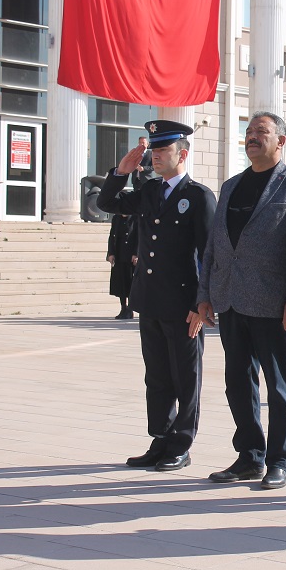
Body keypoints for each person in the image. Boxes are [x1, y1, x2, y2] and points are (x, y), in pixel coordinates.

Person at [197, 112, 286, 490]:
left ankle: (280, 460)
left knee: (278, 385)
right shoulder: (230, 186)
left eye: (261, 132)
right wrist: (204, 295)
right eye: (248, 132)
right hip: (229, 299)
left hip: (276, 305)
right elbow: (214, 246)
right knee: (237, 382)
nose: (252, 138)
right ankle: (249, 456)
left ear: (281, 141)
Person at [97, 120, 217, 471]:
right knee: (157, 376)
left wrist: (202, 304)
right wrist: (121, 171)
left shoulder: (197, 196)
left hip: (183, 306)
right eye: (154, 151)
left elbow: (209, 254)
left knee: (185, 376)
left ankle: (181, 443)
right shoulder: (150, 192)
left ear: (183, 153)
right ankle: (160, 439)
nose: (156, 158)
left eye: (163, 151)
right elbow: (108, 202)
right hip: (149, 300)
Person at [107, 213, 137, 319]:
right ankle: (123, 308)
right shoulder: (116, 218)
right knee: (120, 284)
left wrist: (136, 253)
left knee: (130, 284)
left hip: (131, 258)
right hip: (119, 256)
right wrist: (110, 253)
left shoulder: (136, 218)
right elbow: (112, 236)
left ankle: (130, 309)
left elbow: (140, 236)